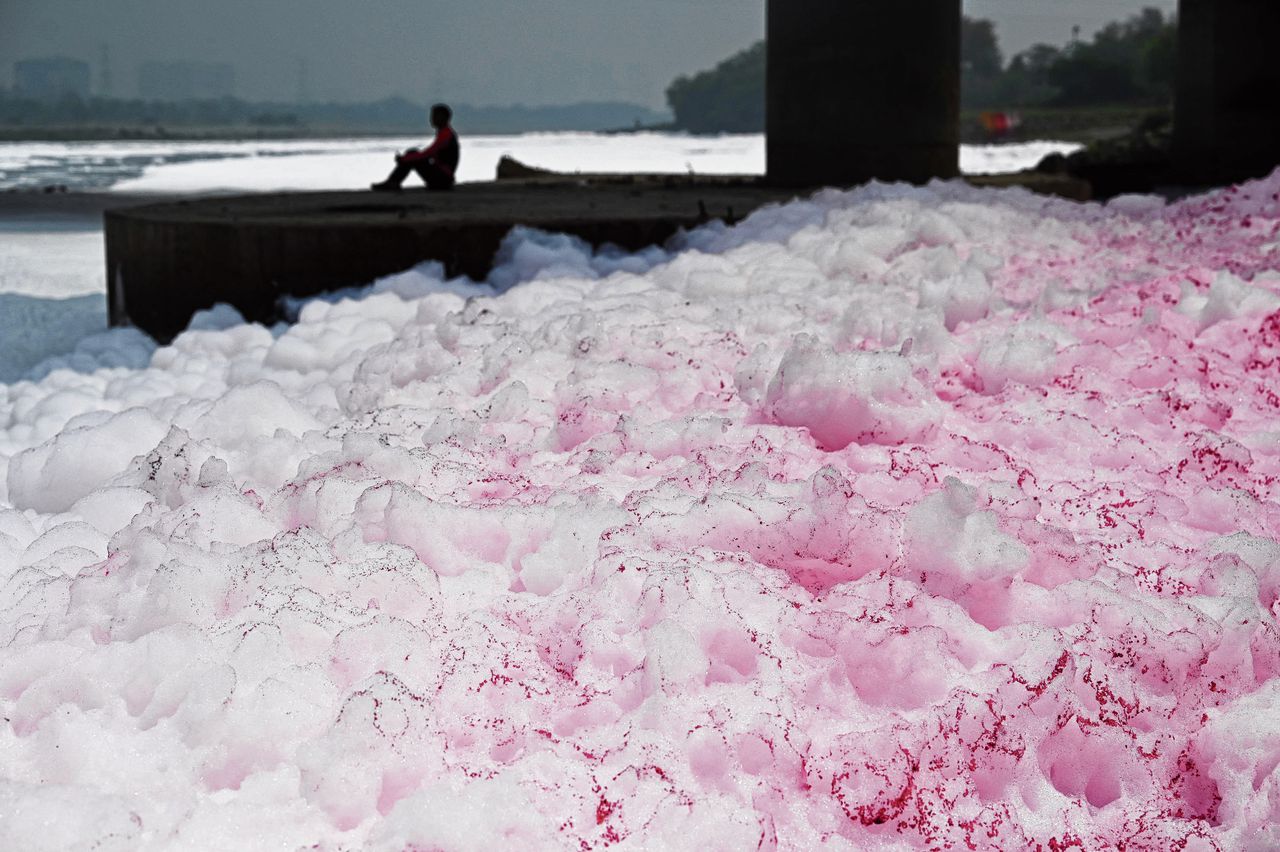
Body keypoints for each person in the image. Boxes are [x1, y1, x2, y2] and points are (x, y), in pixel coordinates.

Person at [371, 103, 460, 191]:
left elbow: (428, 153)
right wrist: (406, 158)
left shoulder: (446, 135)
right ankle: (393, 182)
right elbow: (430, 154)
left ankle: (393, 182)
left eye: (434, 116)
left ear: (443, 117)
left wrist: (405, 159)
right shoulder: (444, 133)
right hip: (443, 178)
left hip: (443, 179)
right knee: (412, 154)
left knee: (412, 154)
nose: (431, 119)